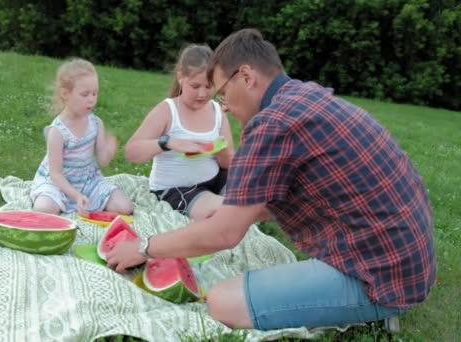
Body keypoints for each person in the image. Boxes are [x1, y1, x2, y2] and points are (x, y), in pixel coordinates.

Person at [106, 29, 436, 331]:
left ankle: (374, 306)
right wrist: (229, 207)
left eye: (222, 92)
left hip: (382, 276)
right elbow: (285, 196)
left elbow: (224, 233)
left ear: (246, 76)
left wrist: (144, 246)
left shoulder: (273, 124)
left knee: (223, 300)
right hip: (409, 258)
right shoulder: (305, 96)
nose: (225, 107)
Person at [125, 44, 234, 220]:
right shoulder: (167, 111)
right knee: (224, 212)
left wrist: (221, 151)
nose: (202, 94)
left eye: (209, 86)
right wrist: (167, 143)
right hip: (177, 190)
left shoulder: (217, 111)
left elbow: (228, 164)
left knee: (250, 198)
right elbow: (131, 152)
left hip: (214, 179)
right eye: (195, 86)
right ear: (181, 78)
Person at [30, 58, 133, 217]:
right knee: (44, 209)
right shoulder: (57, 132)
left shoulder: (95, 123)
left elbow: (102, 160)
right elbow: (55, 174)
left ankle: (83, 202)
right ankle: (64, 202)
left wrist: (109, 149)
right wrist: (75, 195)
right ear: (66, 94)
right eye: (85, 94)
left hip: (88, 181)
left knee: (125, 207)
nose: (91, 99)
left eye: (95, 93)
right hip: (59, 184)